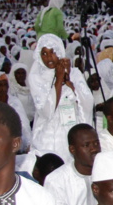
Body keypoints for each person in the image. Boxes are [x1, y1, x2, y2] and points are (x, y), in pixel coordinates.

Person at [29, 35, 93, 164]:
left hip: (71, 127)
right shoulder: (36, 76)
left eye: (53, 52)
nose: (48, 57)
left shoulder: (74, 73)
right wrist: (59, 79)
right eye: (44, 53)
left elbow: (88, 103)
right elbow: (46, 111)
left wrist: (71, 83)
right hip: (48, 134)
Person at [44, 124, 102, 205]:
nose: (94, 149)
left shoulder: (107, 173)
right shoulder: (56, 180)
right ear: (72, 149)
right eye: (86, 145)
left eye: (96, 143)